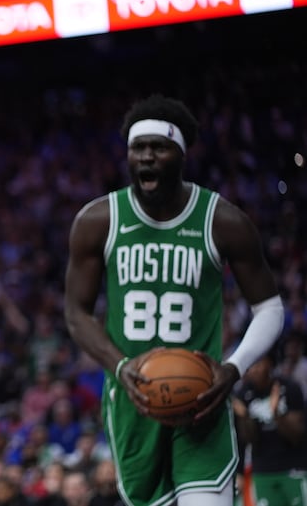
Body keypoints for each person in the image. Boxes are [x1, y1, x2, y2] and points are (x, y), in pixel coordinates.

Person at [63, 94, 284, 506]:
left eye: (159, 148)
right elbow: (76, 312)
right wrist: (119, 364)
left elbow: (270, 308)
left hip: (202, 398)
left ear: (181, 154)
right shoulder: (98, 221)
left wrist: (234, 368)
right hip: (134, 401)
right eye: (138, 148)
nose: (147, 157)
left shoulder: (223, 220)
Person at [232, 350, 307, 506]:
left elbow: (298, 435)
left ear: (270, 363)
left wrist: (277, 414)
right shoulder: (244, 393)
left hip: (293, 468)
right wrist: (244, 416)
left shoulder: (289, 387)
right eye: (251, 365)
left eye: (259, 363)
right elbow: (248, 439)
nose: (254, 369)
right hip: (263, 469)